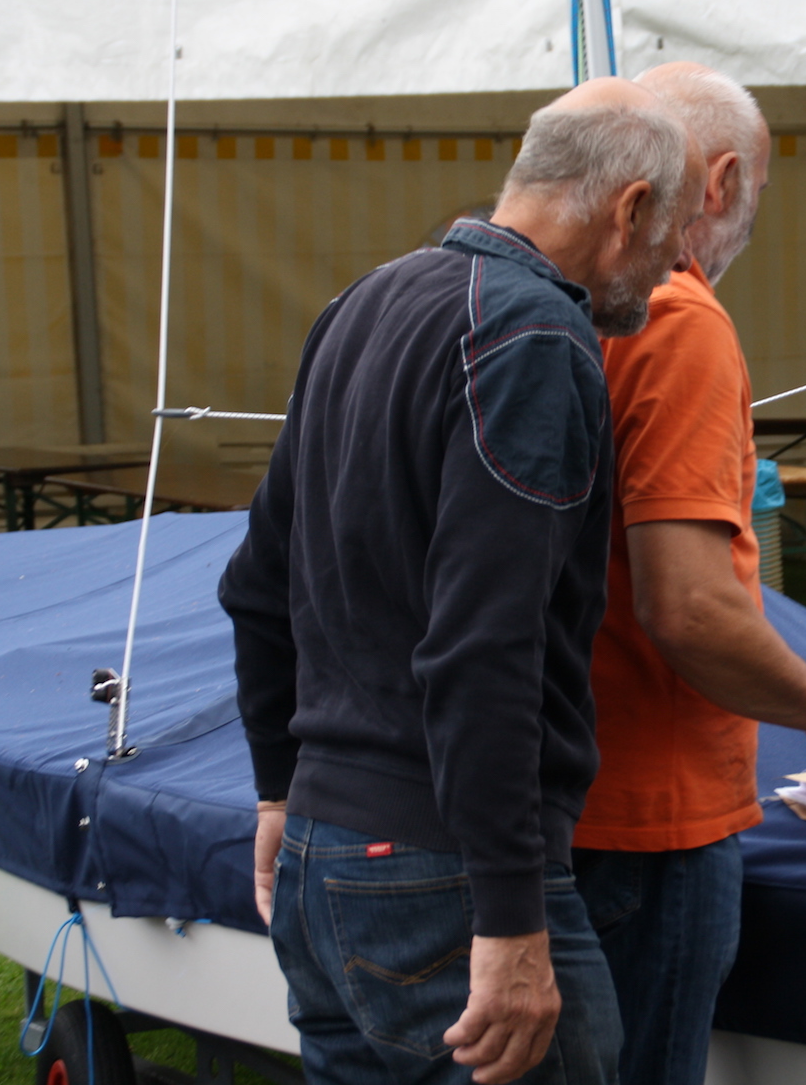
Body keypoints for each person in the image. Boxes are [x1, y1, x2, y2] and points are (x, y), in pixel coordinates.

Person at [220, 77, 704, 1085]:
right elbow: (484, 647)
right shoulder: (533, 335)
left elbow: (257, 585)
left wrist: (279, 789)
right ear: (630, 209)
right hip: (443, 878)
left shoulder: (360, 304)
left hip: (322, 855)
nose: (673, 268)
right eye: (674, 237)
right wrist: (512, 914)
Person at [570, 62, 806, 1085]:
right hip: (647, 816)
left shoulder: (549, 300)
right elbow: (692, 607)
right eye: (756, 189)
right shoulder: (676, 317)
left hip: (549, 791)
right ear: (716, 183)